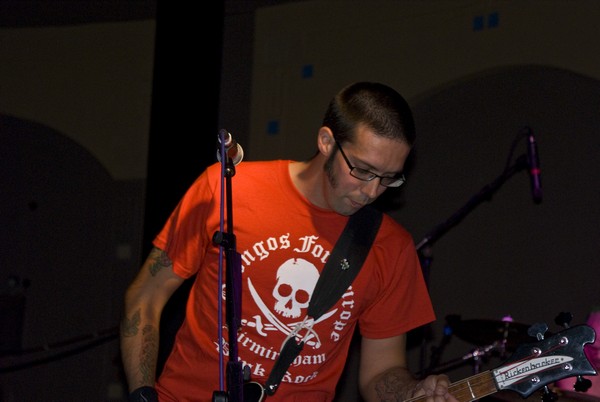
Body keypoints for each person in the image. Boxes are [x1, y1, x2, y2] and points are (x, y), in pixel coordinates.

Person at [120, 81, 459, 402]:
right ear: (326, 142)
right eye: (362, 170)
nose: (372, 191)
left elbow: (381, 371)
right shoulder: (227, 190)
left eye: (388, 178)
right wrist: (143, 395)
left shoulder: (391, 246)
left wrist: (411, 393)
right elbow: (146, 296)